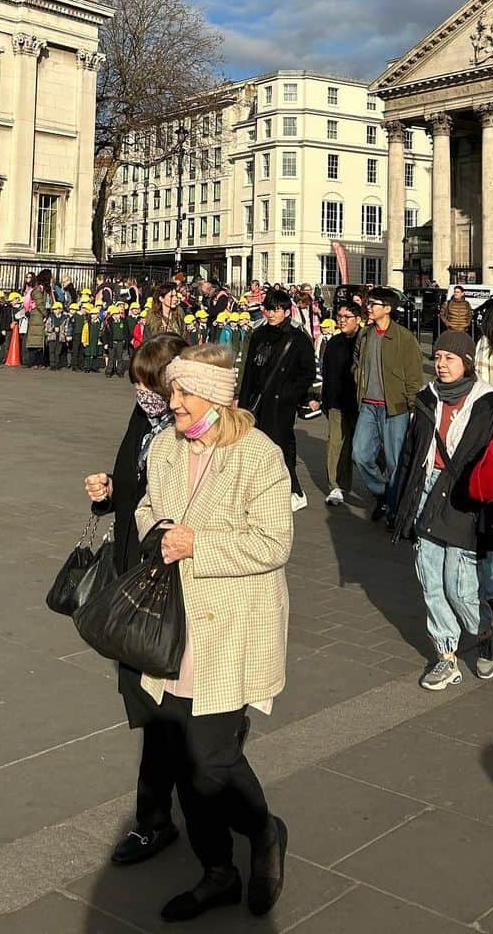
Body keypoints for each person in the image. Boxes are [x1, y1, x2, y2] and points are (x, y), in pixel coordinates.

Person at [131, 345, 291, 921]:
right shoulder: (166, 448)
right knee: (180, 758)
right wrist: (161, 527)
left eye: (182, 392)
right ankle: (217, 872)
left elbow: (275, 544)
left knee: (212, 762)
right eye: (172, 391)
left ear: (215, 397)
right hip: (174, 627)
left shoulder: (259, 455)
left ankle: (263, 830)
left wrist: (198, 543)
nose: (170, 402)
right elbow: (147, 507)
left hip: (229, 627)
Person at [84, 333, 189, 869]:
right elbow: (133, 485)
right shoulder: (142, 421)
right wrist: (108, 493)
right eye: (137, 387)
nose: (143, 398)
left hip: (171, 582)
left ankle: (157, 820)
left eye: (150, 387)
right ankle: (164, 811)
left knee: (162, 708)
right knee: (149, 701)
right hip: (132, 574)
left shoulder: (190, 433)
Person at [392, 330, 493, 689]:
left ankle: (484, 631)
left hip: (463, 498)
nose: (441, 365)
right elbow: (411, 452)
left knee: (459, 586)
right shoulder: (427, 397)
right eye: (438, 357)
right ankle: (445, 655)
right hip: (427, 490)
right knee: (430, 581)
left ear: (466, 363)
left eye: (449, 359)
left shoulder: (488, 404)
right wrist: (402, 502)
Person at [236, 289, 316, 511]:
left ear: (286, 311)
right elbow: (249, 371)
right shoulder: (258, 334)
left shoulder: (298, 338)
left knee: (281, 447)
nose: (271, 314)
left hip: (281, 403)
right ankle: (260, 491)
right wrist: (241, 401)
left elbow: (308, 372)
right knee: (253, 447)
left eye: (276, 309)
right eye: (268, 309)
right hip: (257, 401)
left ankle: (295, 490)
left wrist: (290, 393)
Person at [351, 287, 424, 524]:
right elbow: (356, 363)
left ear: (388, 309)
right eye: (369, 303)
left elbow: (414, 376)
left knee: (395, 462)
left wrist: (412, 408)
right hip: (368, 406)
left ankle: (394, 510)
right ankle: (383, 493)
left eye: (374, 303)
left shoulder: (404, 338)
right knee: (360, 454)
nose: (369, 307)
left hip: (396, 408)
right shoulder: (365, 335)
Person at [307, 298, 363, 506]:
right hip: (337, 402)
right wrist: (321, 398)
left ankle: (382, 486)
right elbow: (326, 372)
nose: (341, 320)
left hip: (361, 403)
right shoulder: (333, 343)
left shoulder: (365, 341)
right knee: (336, 444)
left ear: (358, 319)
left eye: (347, 317)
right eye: (339, 316)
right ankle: (336, 485)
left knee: (364, 448)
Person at [25, 276, 50, 368]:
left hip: (35, 316)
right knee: (37, 342)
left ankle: (36, 362)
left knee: (36, 342)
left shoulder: (36, 290)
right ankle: (35, 362)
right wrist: (46, 314)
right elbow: (40, 304)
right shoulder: (37, 291)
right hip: (37, 317)